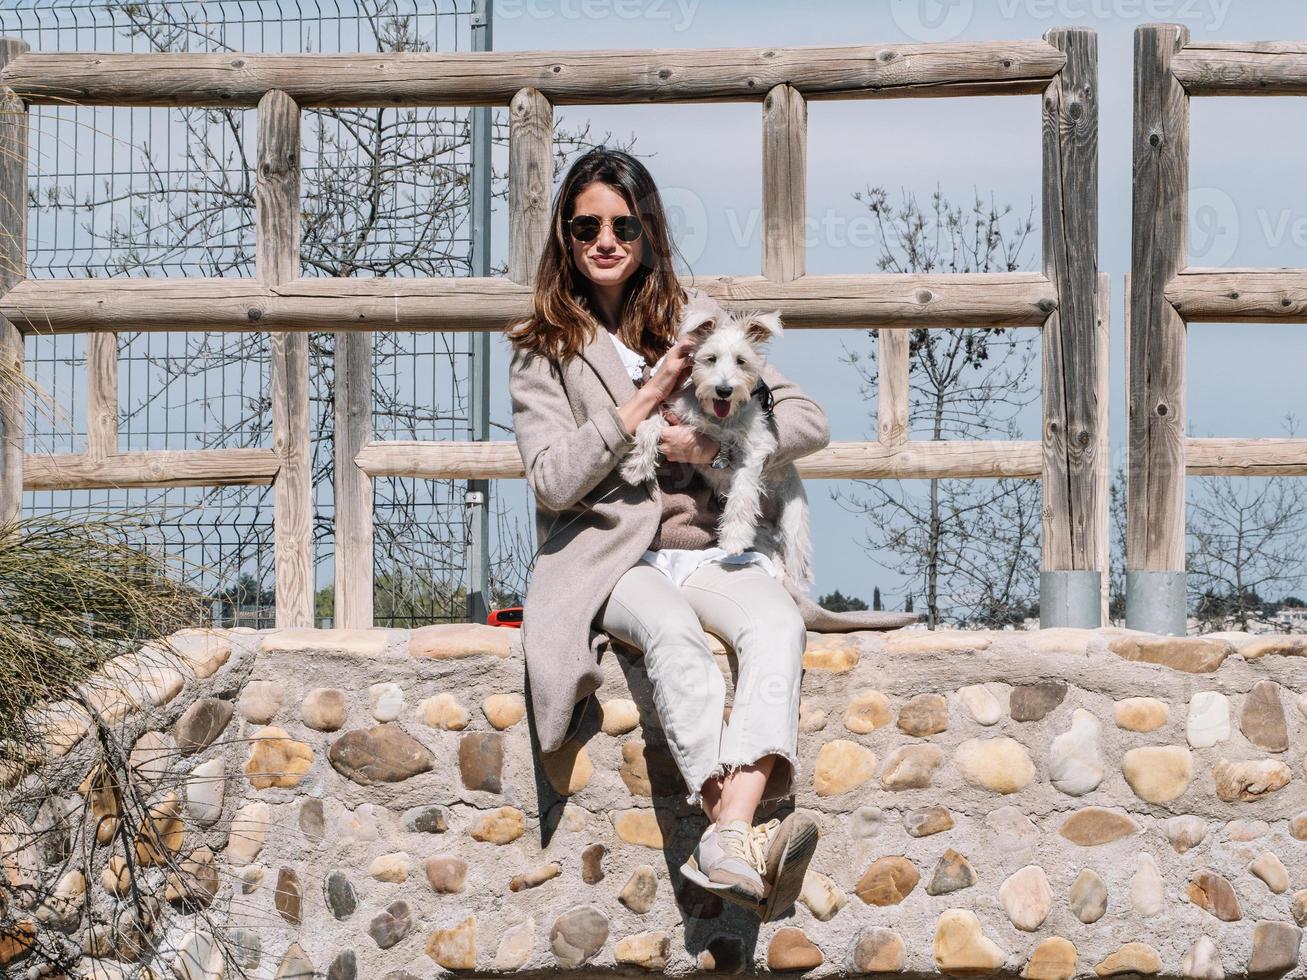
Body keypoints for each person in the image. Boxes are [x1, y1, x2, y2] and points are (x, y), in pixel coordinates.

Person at [506, 148, 828, 918]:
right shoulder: (541, 346)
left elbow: (808, 422)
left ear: (648, 232)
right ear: (565, 235)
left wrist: (713, 446)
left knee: (777, 623)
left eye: (624, 224)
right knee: (675, 637)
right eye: (586, 225)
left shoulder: (698, 317)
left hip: (710, 546)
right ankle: (736, 831)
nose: (605, 240)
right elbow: (552, 479)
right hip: (608, 556)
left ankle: (726, 834)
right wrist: (644, 397)